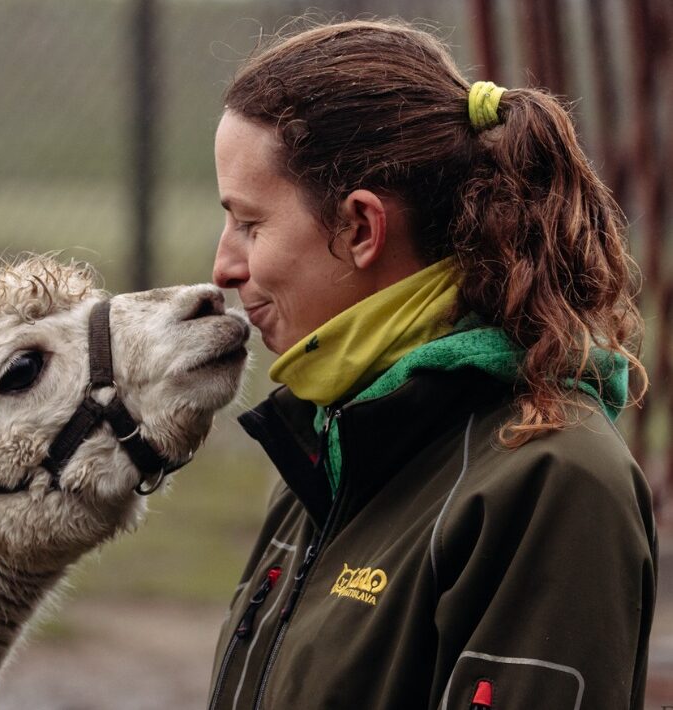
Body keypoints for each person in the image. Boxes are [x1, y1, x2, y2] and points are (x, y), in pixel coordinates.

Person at [208, 18, 655, 710]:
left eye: (249, 224)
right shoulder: (332, 445)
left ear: (360, 228)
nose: (224, 267)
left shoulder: (554, 479)